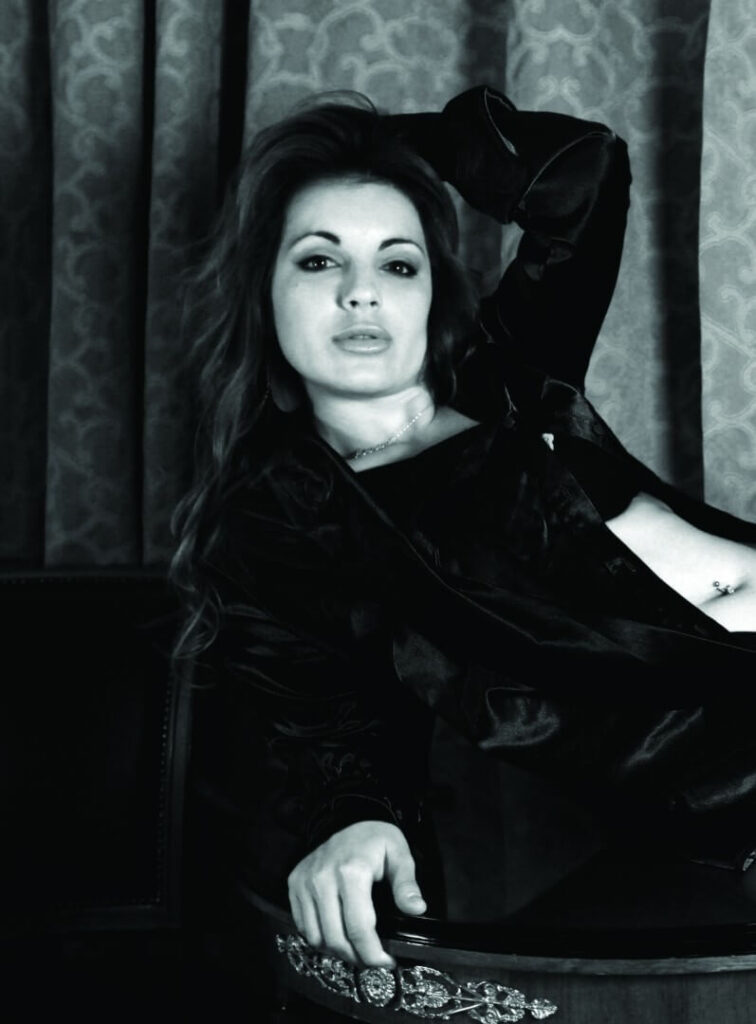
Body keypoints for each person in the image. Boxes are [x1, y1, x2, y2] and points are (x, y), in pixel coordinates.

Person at [170, 84, 756, 974]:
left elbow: (585, 172)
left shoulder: (511, 372)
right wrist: (354, 819)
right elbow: (326, 718)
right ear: (263, 289)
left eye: (398, 264)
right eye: (319, 261)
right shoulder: (291, 520)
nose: (362, 294)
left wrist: (380, 147)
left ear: (432, 290)